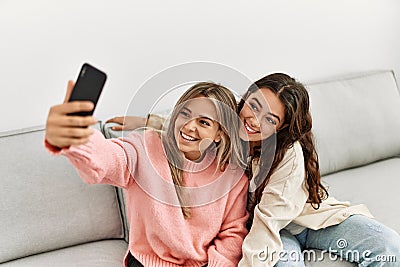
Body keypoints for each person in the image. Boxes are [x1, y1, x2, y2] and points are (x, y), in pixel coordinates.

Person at [107, 73, 400, 267]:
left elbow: (268, 224)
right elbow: (192, 123)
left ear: (282, 127)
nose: (255, 121)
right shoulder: (227, 127)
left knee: (388, 244)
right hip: (267, 233)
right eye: (254, 106)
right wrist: (150, 121)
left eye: (270, 119)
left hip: (309, 220)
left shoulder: (288, 156)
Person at [45, 81, 250, 267]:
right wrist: (77, 139)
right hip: (147, 262)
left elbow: (232, 234)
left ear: (219, 134)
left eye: (204, 122)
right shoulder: (145, 147)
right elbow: (109, 158)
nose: (189, 126)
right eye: (185, 114)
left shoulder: (232, 178)